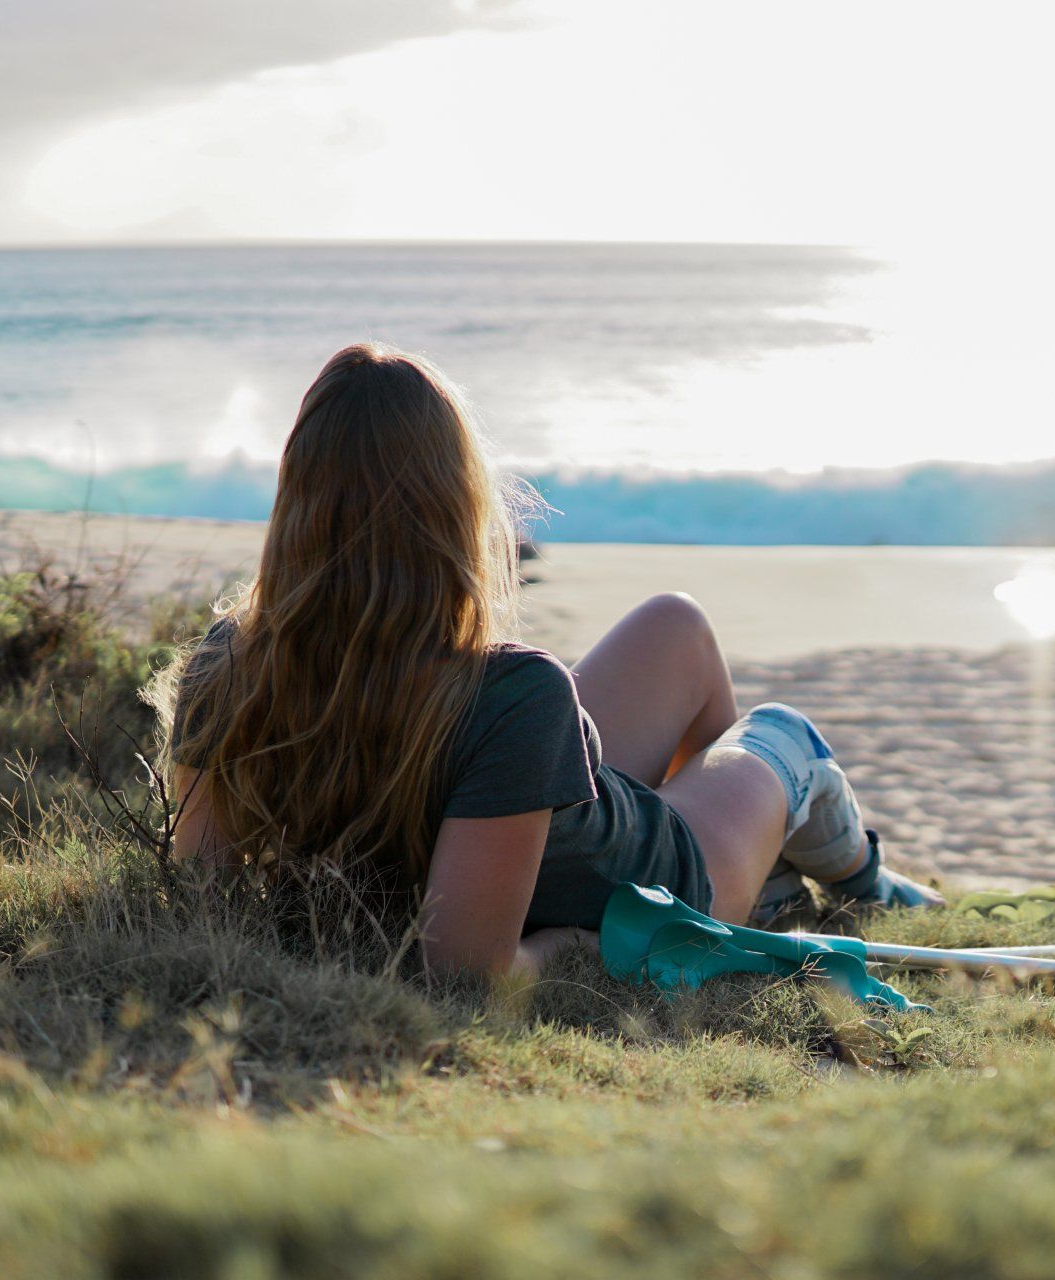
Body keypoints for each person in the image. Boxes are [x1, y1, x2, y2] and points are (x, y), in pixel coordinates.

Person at [163, 344, 943, 981]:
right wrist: (575, 947)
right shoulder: (512, 691)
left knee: (677, 623)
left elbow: (206, 893)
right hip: (670, 876)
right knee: (782, 734)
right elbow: (471, 977)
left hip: (560, 809)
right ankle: (860, 885)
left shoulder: (230, 661)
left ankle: (773, 881)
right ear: (456, 505)